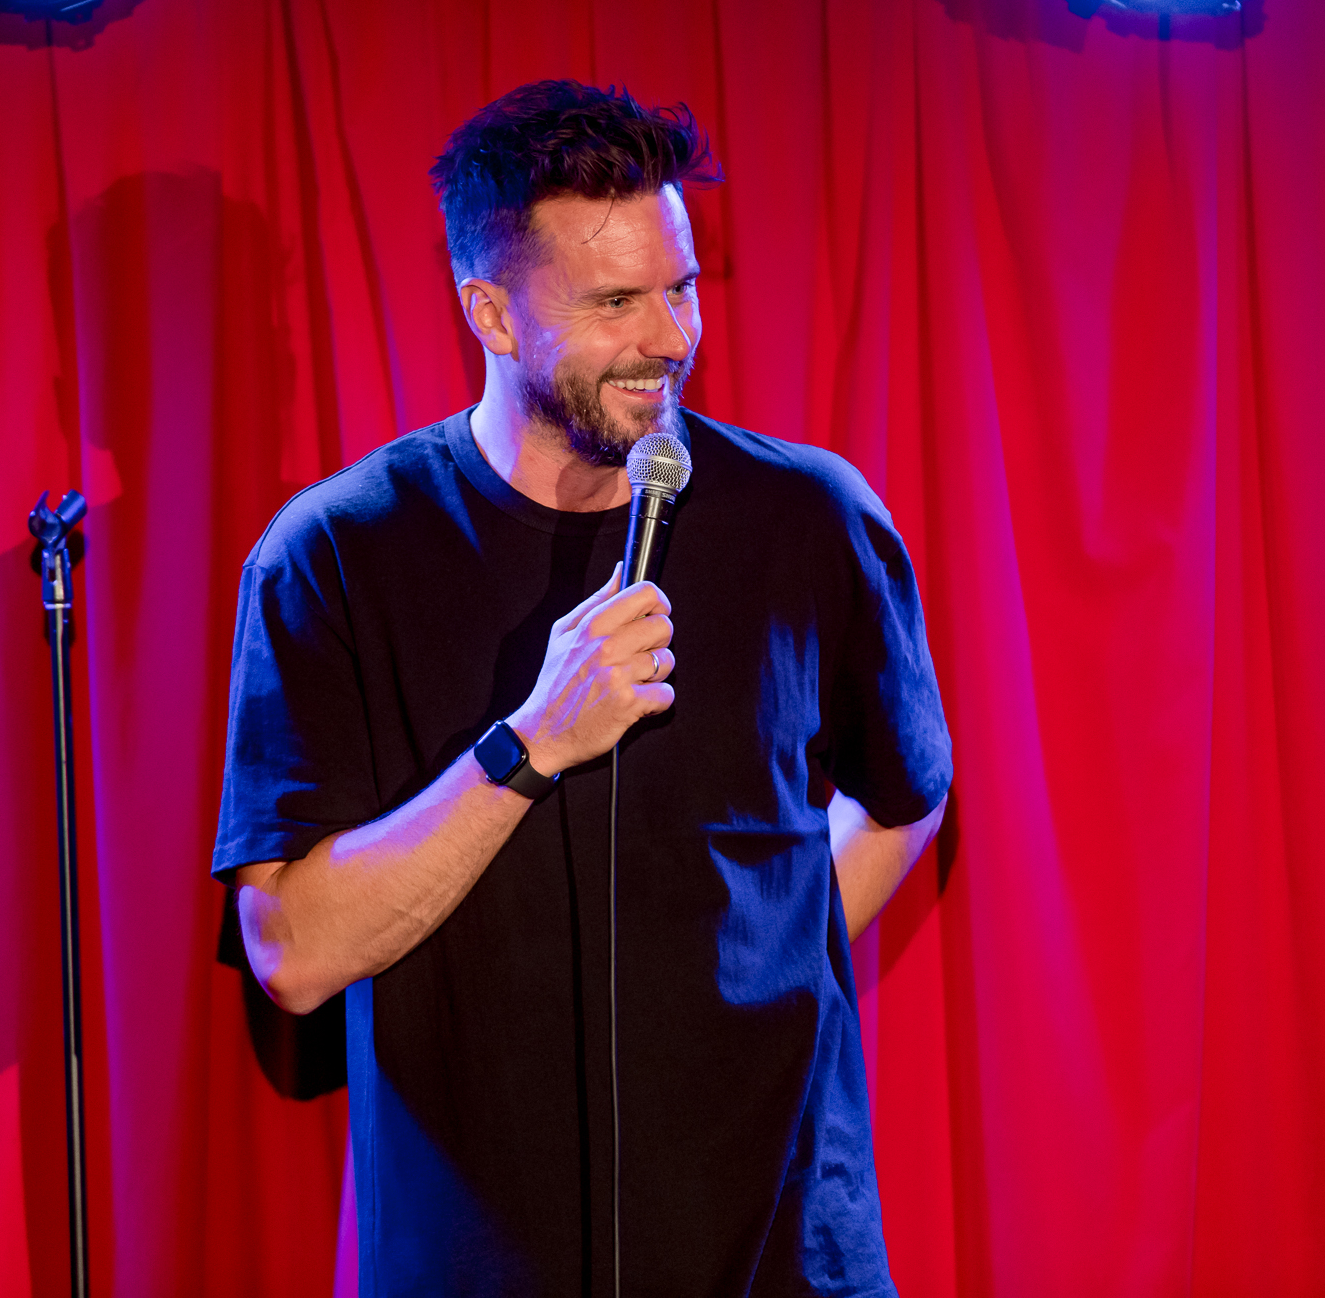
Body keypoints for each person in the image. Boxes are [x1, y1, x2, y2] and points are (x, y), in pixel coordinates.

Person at [214, 80, 952, 1298]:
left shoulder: (809, 517)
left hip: (777, 1249)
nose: (668, 338)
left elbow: (903, 793)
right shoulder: (336, 555)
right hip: (472, 1255)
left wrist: (758, 970)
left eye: (682, 286)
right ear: (490, 315)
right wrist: (527, 745)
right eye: (615, 302)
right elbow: (290, 951)